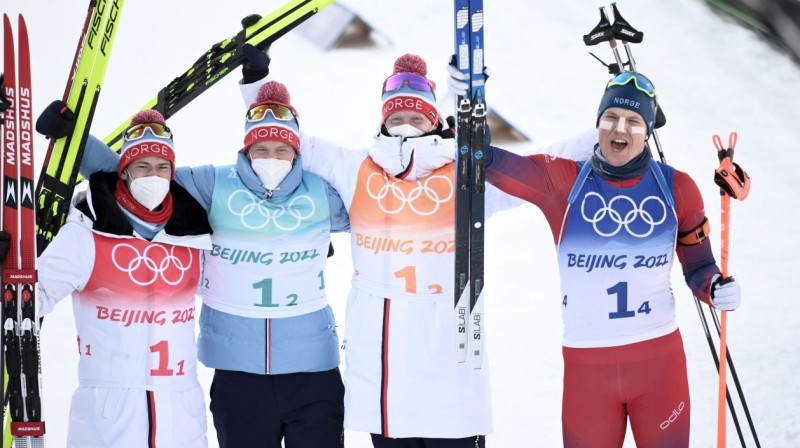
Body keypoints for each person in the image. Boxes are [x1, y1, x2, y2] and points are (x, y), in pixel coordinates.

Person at [37, 49, 351, 446]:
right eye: (261, 149)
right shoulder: (215, 186)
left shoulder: (322, 195)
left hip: (313, 365)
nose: (271, 158)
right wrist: (74, 142)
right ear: (245, 148)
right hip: (237, 368)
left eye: (282, 150)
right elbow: (139, 171)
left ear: (297, 151)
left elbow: (385, 213)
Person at [243, 54, 549, 447]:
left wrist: (467, 98)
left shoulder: (465, 175)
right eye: (396, 118)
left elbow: (535, 176)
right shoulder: (357, 168)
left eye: (417, 118)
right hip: (384, 374)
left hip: (448, 368)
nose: (406, 126)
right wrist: (257, 87)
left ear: (435, 121)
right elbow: (279, 141)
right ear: (383, 121)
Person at [478, 71, 743, 448]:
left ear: (648, 130)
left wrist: (715, 288)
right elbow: (490, 162)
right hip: (588, 371)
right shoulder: (563, 182)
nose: (620, 128)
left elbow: (700, 267)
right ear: (597, 123)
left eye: (634, 121)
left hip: (659, 365)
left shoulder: (677, 188)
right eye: (610, 117)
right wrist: (472, 121)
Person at [35, 110, 213, 447]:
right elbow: (31, 297)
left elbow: (236, 290)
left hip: (180, 413)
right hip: (108, 416)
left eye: (162, 168)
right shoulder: (88, 232)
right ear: (125, 170)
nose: (154, 177)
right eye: (142, 167)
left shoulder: (193, 239)